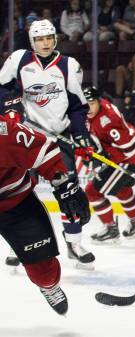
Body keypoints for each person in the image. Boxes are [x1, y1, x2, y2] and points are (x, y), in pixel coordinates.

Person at [0, 19, 96, 268]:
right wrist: (11, 102)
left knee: (68, 192)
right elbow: (3, 88)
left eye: (49, 38)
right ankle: (17, 244)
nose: (45, 43)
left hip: (58, 137)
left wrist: (81, 135)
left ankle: (74, 243)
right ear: (33, 42)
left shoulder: (68, 65)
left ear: (55, 39)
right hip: (27, 139)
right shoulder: (19, 60)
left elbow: (77, 107)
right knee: (20, 192)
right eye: (40, 39)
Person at [0, 103, 91, 315]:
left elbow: (44, 150)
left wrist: (65, 186)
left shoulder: (5, 133)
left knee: (45, 273)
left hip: (15, 203)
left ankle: (49, 286)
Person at [79, 86, 135, 241]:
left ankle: (110, 228)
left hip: (127, 159)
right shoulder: (98, 109)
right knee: (122, 189)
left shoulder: (108, 120)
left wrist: (104, 157)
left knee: (92, 191)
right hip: (131, 156)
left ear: (98, 101)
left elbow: (127, 148)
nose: (87, 108)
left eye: (91, 103)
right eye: (84, 103)